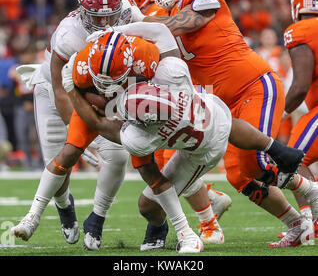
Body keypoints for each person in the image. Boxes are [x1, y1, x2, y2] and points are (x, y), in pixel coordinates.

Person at [61, 23, 316, 250]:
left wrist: (71, 88)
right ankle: (299, 178)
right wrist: (119, 34)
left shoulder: (137, 137)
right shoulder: (171, 72)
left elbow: (97, 122)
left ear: (134, 119)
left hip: (199, 152)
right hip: (209, 115)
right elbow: (160, 33)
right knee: (232, 135)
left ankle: (189, 232)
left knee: (148, 203)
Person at [133, 0, 316, 247]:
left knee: (251, 163)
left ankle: (310, 190)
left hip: (254, 87)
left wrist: (136, 23)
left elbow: (183, 23)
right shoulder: (161, 13)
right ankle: (296, 223)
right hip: (222, 103)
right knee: (236, 174)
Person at [10, 0, 144, 250]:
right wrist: (82, 139)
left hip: (100, 88)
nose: (106, 25)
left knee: (118, 157)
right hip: (54, 89)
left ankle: (97, 219)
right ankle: (64, 206)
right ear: (83, 13)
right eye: (98, 18)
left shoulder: (129, 10)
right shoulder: (69, 34)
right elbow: (61, 91)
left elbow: (150, 36)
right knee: (60, 163)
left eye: (111, 17)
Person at [115, 0, 232, 250]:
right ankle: (208, 211)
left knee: (165, 160)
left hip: (175, 92)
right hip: (175, 91)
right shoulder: (160, 11)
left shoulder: (156, 14)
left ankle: (201, 223)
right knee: (169, 159)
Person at [279, 0, 318, 239]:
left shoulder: (301, 30)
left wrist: (279, 112)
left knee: (291, 159)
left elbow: (300, 86)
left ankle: (309, 220)